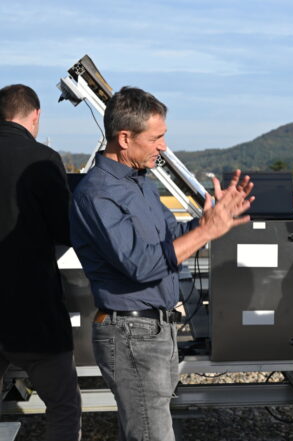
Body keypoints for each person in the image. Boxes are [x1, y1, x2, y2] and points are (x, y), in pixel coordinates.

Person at [69, 86, 254, 441]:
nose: (163, 146)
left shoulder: (140, 184)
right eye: (156, 138)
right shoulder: (98, 193)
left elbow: (171, 235)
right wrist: (205, 232)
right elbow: (140, 264)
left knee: (142, 431)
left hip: (155, 331)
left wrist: (209, 221)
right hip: (131, 334)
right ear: (125, 138)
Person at [0, 84, 82, 440]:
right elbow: (66, 231)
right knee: (64, 406)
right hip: (31, 311)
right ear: (35, 116)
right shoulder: (43, 159)